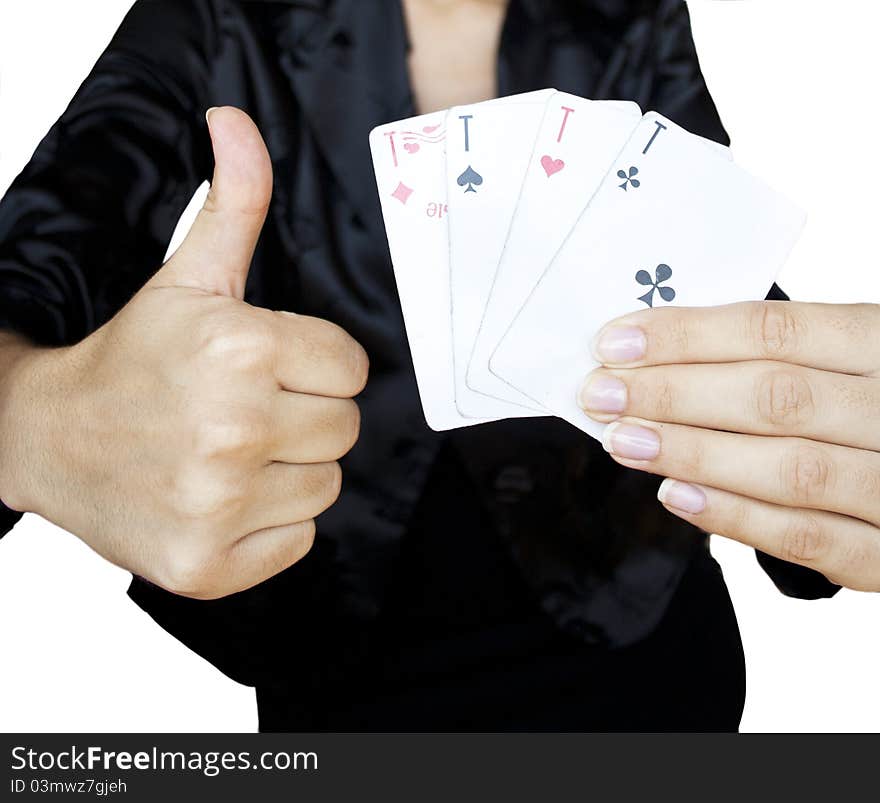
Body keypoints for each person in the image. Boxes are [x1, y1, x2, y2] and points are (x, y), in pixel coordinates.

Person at [0, 0, 876, 732]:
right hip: (348, 663)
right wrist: (27, 418)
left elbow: (700, 248)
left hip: (643, 637)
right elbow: (33, 264)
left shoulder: (628, 8)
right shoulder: (215, 15)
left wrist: (828, 473)